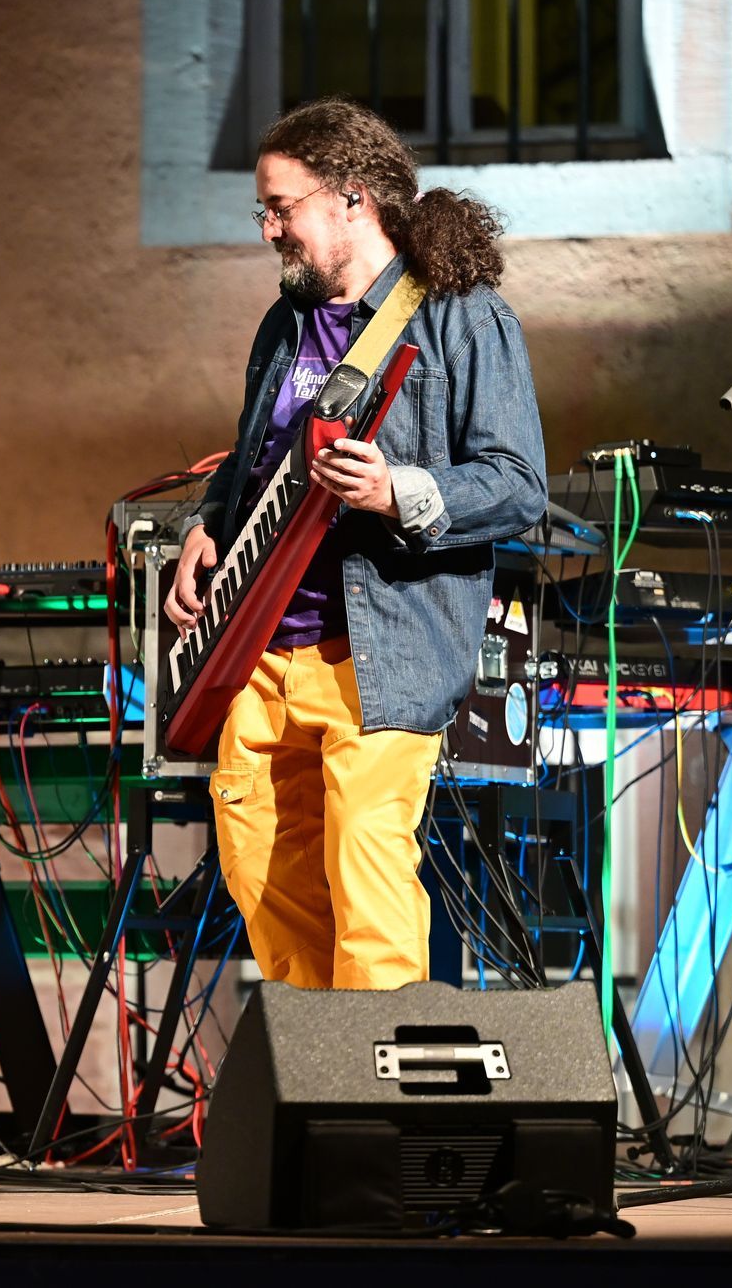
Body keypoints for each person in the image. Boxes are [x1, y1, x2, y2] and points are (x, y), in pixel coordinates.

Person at [164, 98, 546, 992]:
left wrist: (396, 491)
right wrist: (205, 528)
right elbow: (253, 460)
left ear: (351, 198)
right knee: (261, 876)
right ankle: (314, 1062)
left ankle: (376, 1075)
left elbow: (519, 484)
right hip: (262, 650)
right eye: (262, 211)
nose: (268, 230)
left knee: (369, 891)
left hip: (382, 655)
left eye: (280, 207)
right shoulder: (284, 325)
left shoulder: (461, 317)